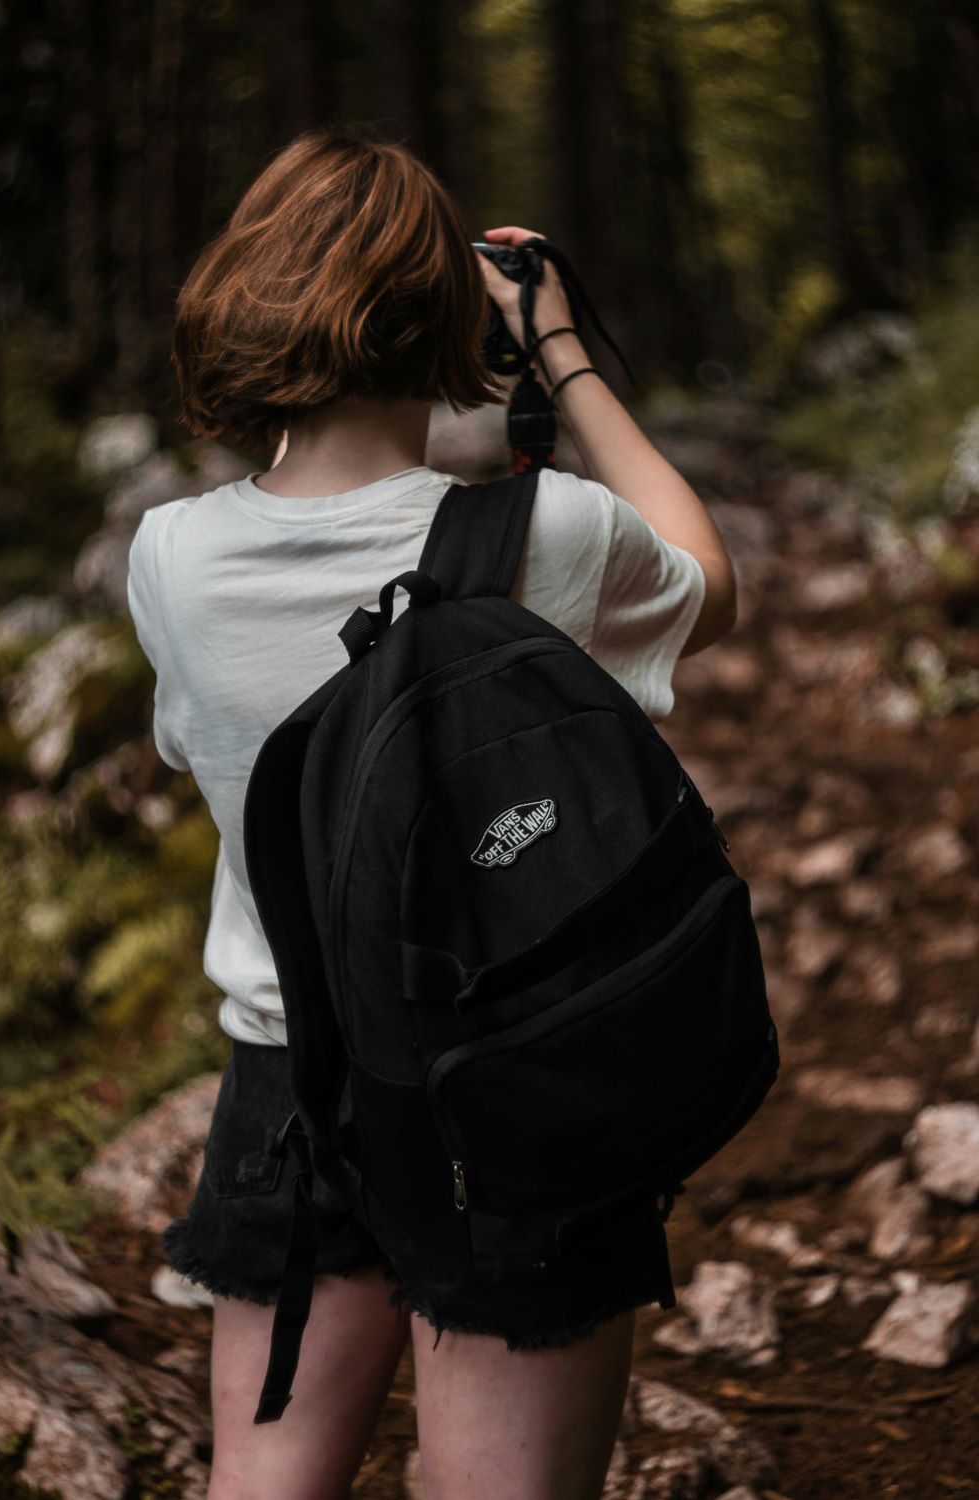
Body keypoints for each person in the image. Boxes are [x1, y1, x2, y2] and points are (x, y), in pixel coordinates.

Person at [126, 127, 737, 1500]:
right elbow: (710, 578)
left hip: (289, 1083)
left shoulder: (169, 558)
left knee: (263, 1482)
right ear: (440, 321)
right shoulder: (550, 538)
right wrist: (557, 355)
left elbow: (212, 739)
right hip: (509, 1085)